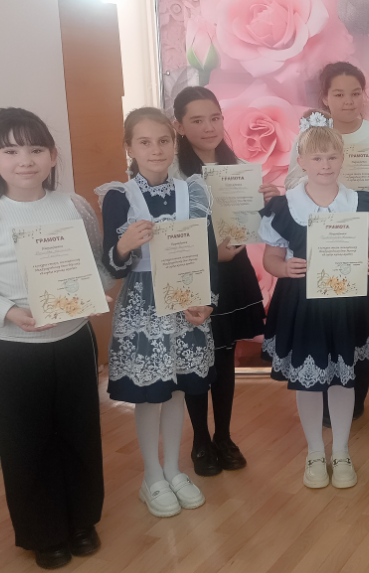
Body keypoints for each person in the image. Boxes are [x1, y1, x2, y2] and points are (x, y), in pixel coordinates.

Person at [0, 108, 107, 569]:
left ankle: (82, 521)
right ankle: (43, 533)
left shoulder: (74, 205)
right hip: (15, 351)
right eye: (10, 151)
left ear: (52, 155)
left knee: (80, 433)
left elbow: (96, 266)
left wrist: (92, 292)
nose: (25, 160)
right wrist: (11, 313)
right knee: (25, 443)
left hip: (73, 342)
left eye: (35, 149)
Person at [99, 107, 216, 517]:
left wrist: (208, 299)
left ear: (174, 143)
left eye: (164, 140)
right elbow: (111, 267)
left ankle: (173, 468)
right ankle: (152, 475)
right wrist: (124, 245)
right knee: (150, 394)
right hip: (143, 305)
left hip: (185, 301)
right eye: (144, 142)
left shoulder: (192, 191)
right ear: (129, 147)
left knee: (178, 390)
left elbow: (207, 254)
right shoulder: (119, 197)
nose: (156, 149)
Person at [260, 110, 369, 489]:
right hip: (303, 308)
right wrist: (284, 269)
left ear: (342, 158)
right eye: (316, 158)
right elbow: (270, 258)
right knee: (308, 380)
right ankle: (315, 451)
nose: (325, 165)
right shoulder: (284, 206)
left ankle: (342, 451)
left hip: (346, 306)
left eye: (332, 157)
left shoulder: (361, 203)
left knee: (344, 380)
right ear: (301, 161)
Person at [171, 86, 278, 477]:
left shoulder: (239, 168)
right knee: (196, 359)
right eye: (197, 120)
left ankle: (224, 436)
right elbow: (169, 237)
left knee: (225, 357)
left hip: (232, 273)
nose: (209, 127)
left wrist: (269, 201)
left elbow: (256, 225)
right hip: (194, 273)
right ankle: (200, 440)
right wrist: (209, 254)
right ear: (179, 126)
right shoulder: (173, 173)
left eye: (215, 118)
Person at [286, 62, 369, 421]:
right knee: (324, 321)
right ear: (325, 97)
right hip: (322, 243)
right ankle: (322, 395)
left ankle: (355, 396)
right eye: (339, 94)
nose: (348, 101)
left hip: (366, 241)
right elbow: (291, 183)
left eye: (355, 93)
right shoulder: (310, 135)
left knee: (360, 319)